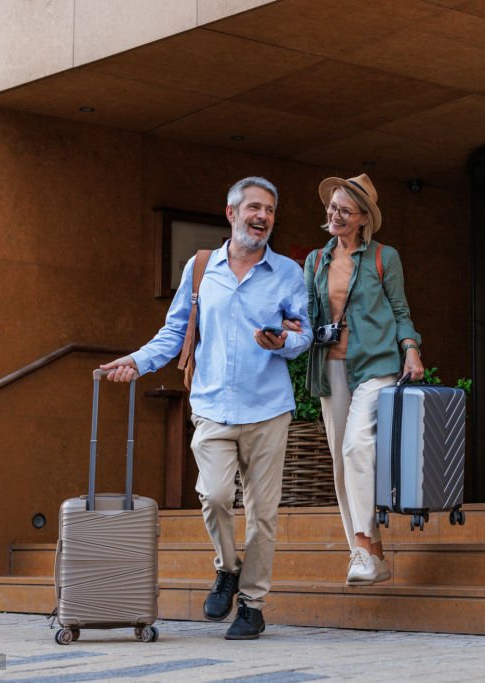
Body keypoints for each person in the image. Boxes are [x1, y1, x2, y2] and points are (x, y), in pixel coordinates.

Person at [100, 176, 312, 640]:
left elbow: (304, 336)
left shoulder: (288, 275)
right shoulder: (201, 269)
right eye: (254, 207)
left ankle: (252, 605)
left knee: (263, 513)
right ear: (231, 213)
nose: (262, 217)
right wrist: (137, 362)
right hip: (213, 405)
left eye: (270, 210)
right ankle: (227, 568)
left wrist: (281, 341)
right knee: (213, 495)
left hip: (267, 409)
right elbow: (176, 332)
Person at [288, 173, 423, 585]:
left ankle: (363, 545)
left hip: (376, 365)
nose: (335, 215)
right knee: (341, 463)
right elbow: (307, 316)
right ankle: (369, 555)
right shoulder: (316, 260)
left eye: (344, 210)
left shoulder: (385, 257)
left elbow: (400, 310)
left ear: (364, 217)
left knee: (356, 445)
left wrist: (411, 348)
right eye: (332, 207)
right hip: (332, 368)